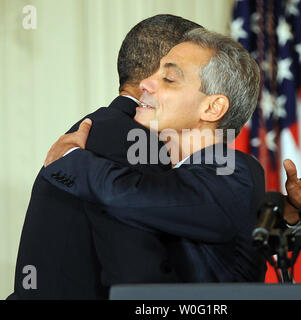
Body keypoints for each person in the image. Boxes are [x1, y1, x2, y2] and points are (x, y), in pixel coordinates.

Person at [42, 28, 301, 284]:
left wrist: (70, 159)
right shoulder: (190, 180)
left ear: (212, 108)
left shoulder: (235, 170)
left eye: (169, 79)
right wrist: (288, 211)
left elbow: (130, 195)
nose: (145, 84)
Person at [8, 14, 203, 300]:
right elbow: (142, 279)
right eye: (202, 72)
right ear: (163, 74)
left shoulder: (102, 130)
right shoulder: (136, 143)